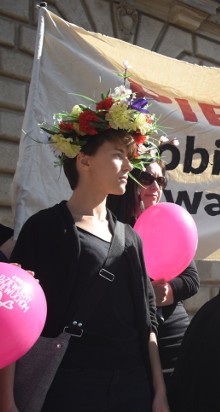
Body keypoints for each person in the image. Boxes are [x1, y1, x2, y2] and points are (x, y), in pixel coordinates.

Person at [0, 77, 169, 411]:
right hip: (68, 385)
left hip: (131, 388)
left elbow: (147, 322)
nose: (129, 166)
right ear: (85, 160)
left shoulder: (131, 237)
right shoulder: (45, 228)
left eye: (130, 155)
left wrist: (159, 392)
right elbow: (11, 314)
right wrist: (7, 399)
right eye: (119, 154)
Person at [107, 160, 200, 386]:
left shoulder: (168, 222)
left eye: (160, 181)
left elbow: (192, 279)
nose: (155, 187)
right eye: (147, 179)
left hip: (170, 331)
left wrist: (164, 293)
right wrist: (147, 297)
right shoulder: (109, 223)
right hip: (128, 336)